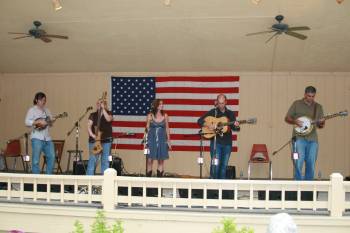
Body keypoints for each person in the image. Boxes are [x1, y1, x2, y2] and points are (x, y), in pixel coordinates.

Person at [285, 86, 325, 180]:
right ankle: (298, 184)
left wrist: (321, 122)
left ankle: (308, 186)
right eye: (309, 96)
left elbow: (321, 126)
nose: (311, 98)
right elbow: (287, 118)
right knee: (298, 161)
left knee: (311, 162)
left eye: (313, 96)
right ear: (305, 94)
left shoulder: (318, 107)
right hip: (298, 138)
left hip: (313, 139)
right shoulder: (296, 104)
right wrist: (295, 121)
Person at [197, 94, 240, 179]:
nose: (221, 105)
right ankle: (212, 188)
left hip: (227, 143)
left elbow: (235, 128)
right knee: (215, 167)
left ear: (226, 102)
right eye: (219, 103)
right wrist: (209, 125)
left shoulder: (230, 113)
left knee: (223, 167)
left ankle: (221, 190)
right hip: (216, 143)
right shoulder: (213, 112)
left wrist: (237, 125)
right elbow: (199, 121)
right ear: (216, 102)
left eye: (223, 103)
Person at [25, 92, 55, 174]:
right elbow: (27, 122)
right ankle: (36, 180)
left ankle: (48, 178)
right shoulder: (32, 110)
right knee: (35, 160)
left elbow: (50, 124)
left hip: (47, 138)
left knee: (52, 156)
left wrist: (51, 122)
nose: (43, 102)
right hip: (37, 137)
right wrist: (37, 122)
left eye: (44, 100)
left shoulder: (47, 111)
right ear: (36, 100)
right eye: (42, 100)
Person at [145, 99, 171, 177]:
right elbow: (147, 128)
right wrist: (145, 141)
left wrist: (168, 141)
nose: (162, 105)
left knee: (161, 160)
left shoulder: (165, 115)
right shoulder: (150, 116)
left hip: (162, 140)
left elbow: (167, 128)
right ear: (156, 106)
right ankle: (148, 181)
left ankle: (159, 180)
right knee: (150, 160)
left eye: (162, 104)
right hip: (151, 139)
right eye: (160, 104)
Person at [87, 97, 113, 175]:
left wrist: (103, 110)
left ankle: (105, 182)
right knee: (93, 160)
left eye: (101, 103)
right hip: (94, 141)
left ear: (104, 105)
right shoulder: (93, 115)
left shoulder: (109, 113)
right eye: (98, 103)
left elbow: (108, 119)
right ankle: (89, 181)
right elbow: (88, 126)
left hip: (106, 141)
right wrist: (92, 135)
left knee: (105, 161)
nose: (99, 105)